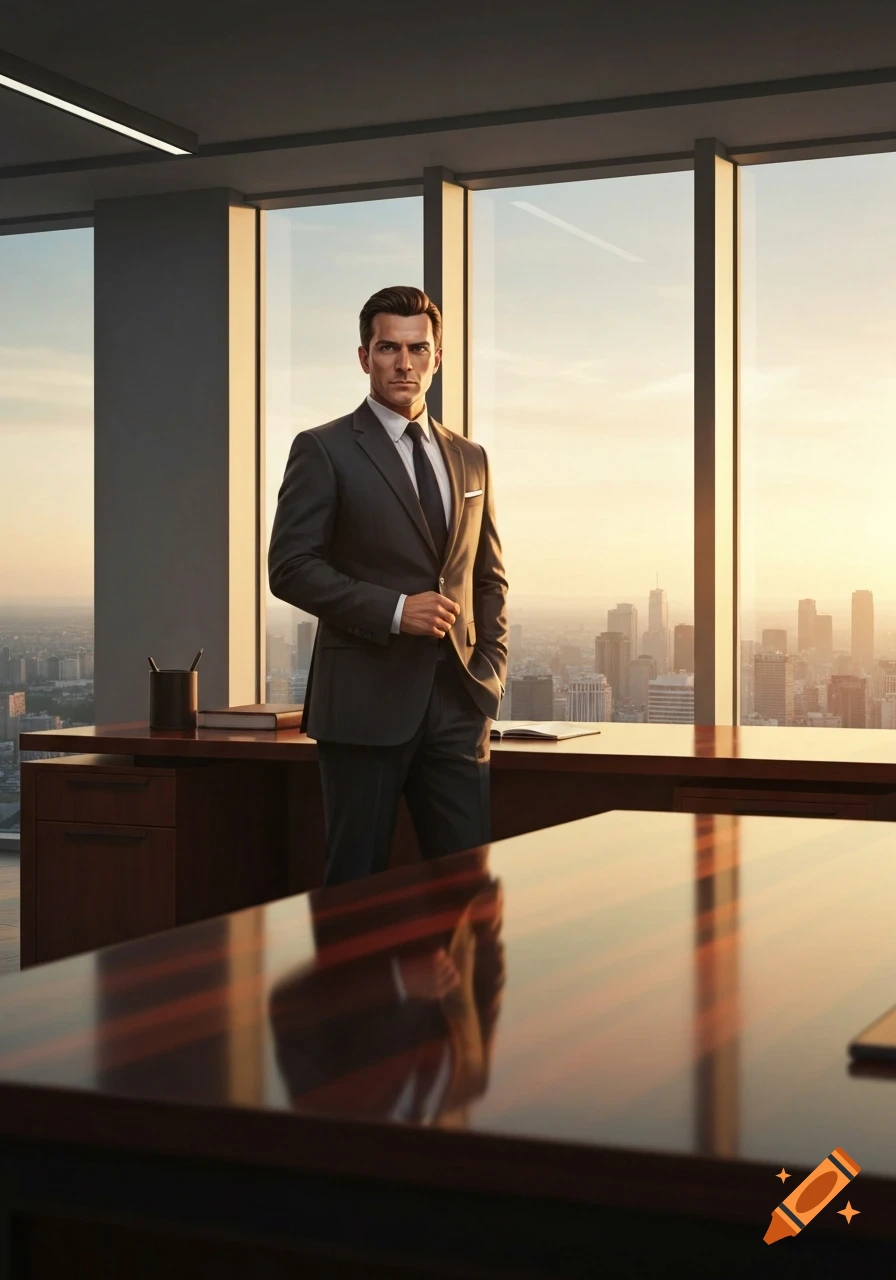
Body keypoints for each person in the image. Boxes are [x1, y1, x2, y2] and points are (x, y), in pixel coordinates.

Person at [268, 285, 508, 885]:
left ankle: (465, 988)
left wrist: (489, 673)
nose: (404, 363)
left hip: (457, 703)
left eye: (418, 349)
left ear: (437, 356)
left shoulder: (471, 458)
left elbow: (489, 576)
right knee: (354, 887)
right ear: (363, 357)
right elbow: (290, 566)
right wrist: (397, 610)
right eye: (388, 348)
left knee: (470, 888)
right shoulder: (322, 449)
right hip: (364, 706)